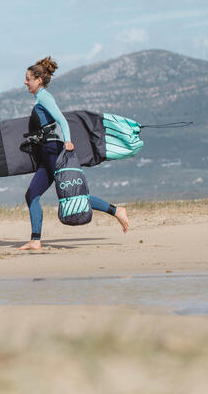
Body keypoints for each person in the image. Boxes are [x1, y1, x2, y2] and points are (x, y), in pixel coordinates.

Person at [18, 56, 129, 251]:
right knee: (32, 195)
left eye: (28, 78)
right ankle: (35, 240)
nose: (25, 82)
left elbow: (62, 119)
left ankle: (116, 210)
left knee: (71, 194)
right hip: (47, 153)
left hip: (54, 151)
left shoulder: (44, 97)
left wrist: (68, 140)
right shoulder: (40, 99)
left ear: (39, 80)